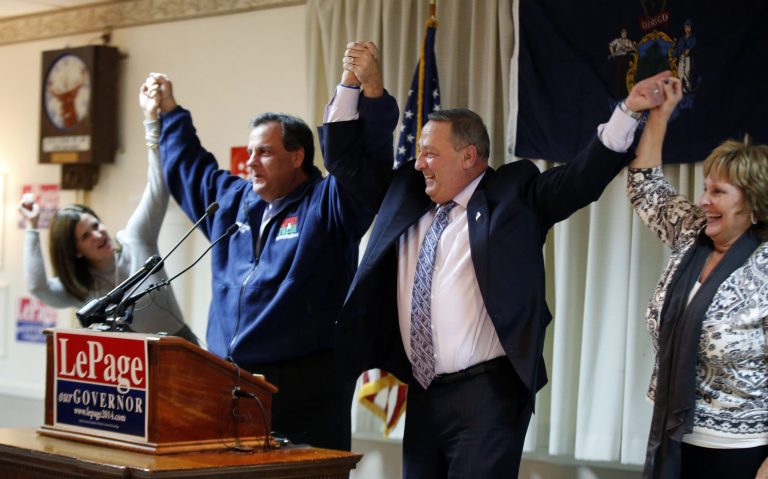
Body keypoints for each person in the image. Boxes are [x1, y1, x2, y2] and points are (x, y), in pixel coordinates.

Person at [335, 71, 672, 477]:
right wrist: (351, 86)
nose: (419, 162)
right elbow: (344, 163)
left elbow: (580, 180)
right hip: (422, 391)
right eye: (420, 152)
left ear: (468, 157)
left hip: (487, 396)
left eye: (430, 153)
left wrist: (628, 111)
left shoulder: (514, 197)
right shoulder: (407, 191)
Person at [144, 40, 398, 451]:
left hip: (304, 388)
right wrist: (170, 112)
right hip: (228, 380)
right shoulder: (233, 203)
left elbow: (363, 167)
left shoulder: (328, 205)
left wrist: (366, 93)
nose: (250, 162)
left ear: (297, 157)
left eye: (264, 152)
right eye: (249, 152)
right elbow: (190, 167)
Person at [626, 77, 768, 478]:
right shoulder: (692, 232)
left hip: (740, 451)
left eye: (718, 192)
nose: (703, 200)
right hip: (674, 437)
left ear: (753, 202)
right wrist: (659, 115)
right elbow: (645, 186)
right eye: (705, 189)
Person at [18, 82, 197, 343]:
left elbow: (158, 188)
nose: (97, 234)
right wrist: (32, 227)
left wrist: (151, 121)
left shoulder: (136, 240)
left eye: (95, 225)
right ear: (76, 251)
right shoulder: (79, 287)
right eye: (85, 236)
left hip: (178, 348)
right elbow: (38, 286)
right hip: (124, 362)